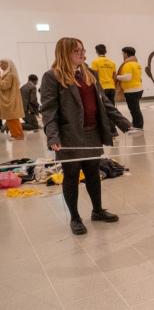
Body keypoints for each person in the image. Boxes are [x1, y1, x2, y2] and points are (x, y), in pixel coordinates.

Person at [41, 37, 133, 235]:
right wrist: (53, 137)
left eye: (83, 50)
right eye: (77, 51)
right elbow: (48, 111)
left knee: (93, 173)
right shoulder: (52, 76)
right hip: (69, 136)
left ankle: (97, 211)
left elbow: (104, 104)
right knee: (72, 176)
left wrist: (124, 124)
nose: (83, 54)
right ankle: (75, 217)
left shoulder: (90, 74)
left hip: (92, 133)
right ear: (65, 53)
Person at [91, 44, 118, 135]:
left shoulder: (95, 62)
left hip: (102, 88)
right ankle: (114, 130)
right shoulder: (112, 62)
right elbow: (114, 76)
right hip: (111, 87)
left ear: (97, 51)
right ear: (105, 51)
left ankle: (109, 131)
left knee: (103, 110)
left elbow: (94, 76)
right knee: (112, 109)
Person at [117, 47, 144, 129]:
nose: (122, 55)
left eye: (123, 53)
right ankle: (136, 124)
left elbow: (128, 77)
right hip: (138, 89)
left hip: (131, 90)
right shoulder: (136, 64)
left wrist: (116, 77)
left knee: (134, 110)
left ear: (126, 54)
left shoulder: (127, 64)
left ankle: (138, 127)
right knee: (136, 109)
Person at [0, 59, 25, 140]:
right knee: (10, 119)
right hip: (9, 99)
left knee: (13, 119)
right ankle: (15, 134)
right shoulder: (7, 74)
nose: (1, 65)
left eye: (3, 64)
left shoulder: (10, 75)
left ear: (8, 65)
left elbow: (5, 86)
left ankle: (18, 135)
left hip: (10, 100)